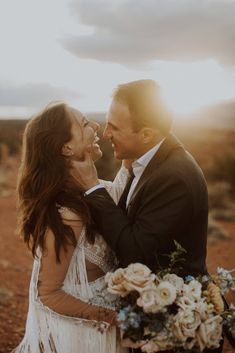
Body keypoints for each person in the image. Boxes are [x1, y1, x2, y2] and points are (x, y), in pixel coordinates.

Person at [70, 79, 223, 353]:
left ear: (147, 134)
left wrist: (93, 188)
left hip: (174, 326)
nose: (105, 133)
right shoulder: (147, 160)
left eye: (114, 127)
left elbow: (135, 250)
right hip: (149, 314)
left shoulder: (173, 176)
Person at [13, 102, 129, 353]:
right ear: (66, 147)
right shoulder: (67, 215)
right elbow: (49, 294)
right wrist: (115, 319)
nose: (96, 126)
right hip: (84, 336)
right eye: (85, 123)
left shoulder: (95, 190)